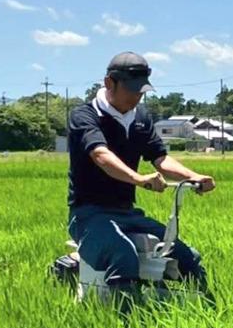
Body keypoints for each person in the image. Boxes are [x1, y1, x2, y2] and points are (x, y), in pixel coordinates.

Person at [67, 52, 215, 310]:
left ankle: (206, 311)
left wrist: (193, 177)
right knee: (123, 255)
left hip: (128, 213)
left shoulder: (140, 119)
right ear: (109, 83)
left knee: (185, 257)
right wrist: (139, 179)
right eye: (131, 89)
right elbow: (101, 155)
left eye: (141, 91)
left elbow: (160, 158)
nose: (137, 97)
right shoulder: (85, 116)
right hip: (88, 215)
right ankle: (127, 321)